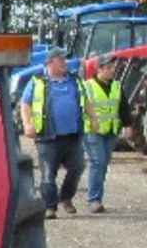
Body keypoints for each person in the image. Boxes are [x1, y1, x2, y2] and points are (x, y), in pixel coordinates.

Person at [20, 51, 86, 219]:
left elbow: (86, 101)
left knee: (77, 168)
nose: (64, 62)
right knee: (48, 174)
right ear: (49, 63)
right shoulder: (37, 81)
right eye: (60, 60)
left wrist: (92, 119)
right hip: (47, 137)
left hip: (73, 135)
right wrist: (27, 124)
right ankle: (50, 207)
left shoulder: (74, 80)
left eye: (64, 59)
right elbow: (25, 104)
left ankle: (66, 197)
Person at [80, 56, 130, 213]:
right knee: (97, 162)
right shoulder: (87, 87)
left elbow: (123, 107)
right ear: (99, 69)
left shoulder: (116, 86)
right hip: (92, 131)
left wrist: (128, 125)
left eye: (112, 67)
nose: (112, 70)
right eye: (108, 68)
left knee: (103, 164)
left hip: (110, 131)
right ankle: (94, 200)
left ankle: (97, 198)